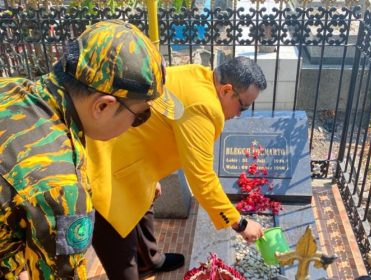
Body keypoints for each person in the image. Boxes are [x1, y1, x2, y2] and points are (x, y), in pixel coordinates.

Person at [0, 19, 183, 279]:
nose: (136, 125)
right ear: (103, 107)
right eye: (140, 117)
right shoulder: (62, 188)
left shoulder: (11, 88)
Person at [86, 56, 267, 279]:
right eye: (243, 106)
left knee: (143, 207)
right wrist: (239, 223)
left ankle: (150, 262)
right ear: (227, 90)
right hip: (103, 170)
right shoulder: (204, 107)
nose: (240, 114)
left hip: (128, 155)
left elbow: (163, 125)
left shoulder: (197, 74)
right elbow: (202, 179)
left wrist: (151, 178)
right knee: (120, 251)